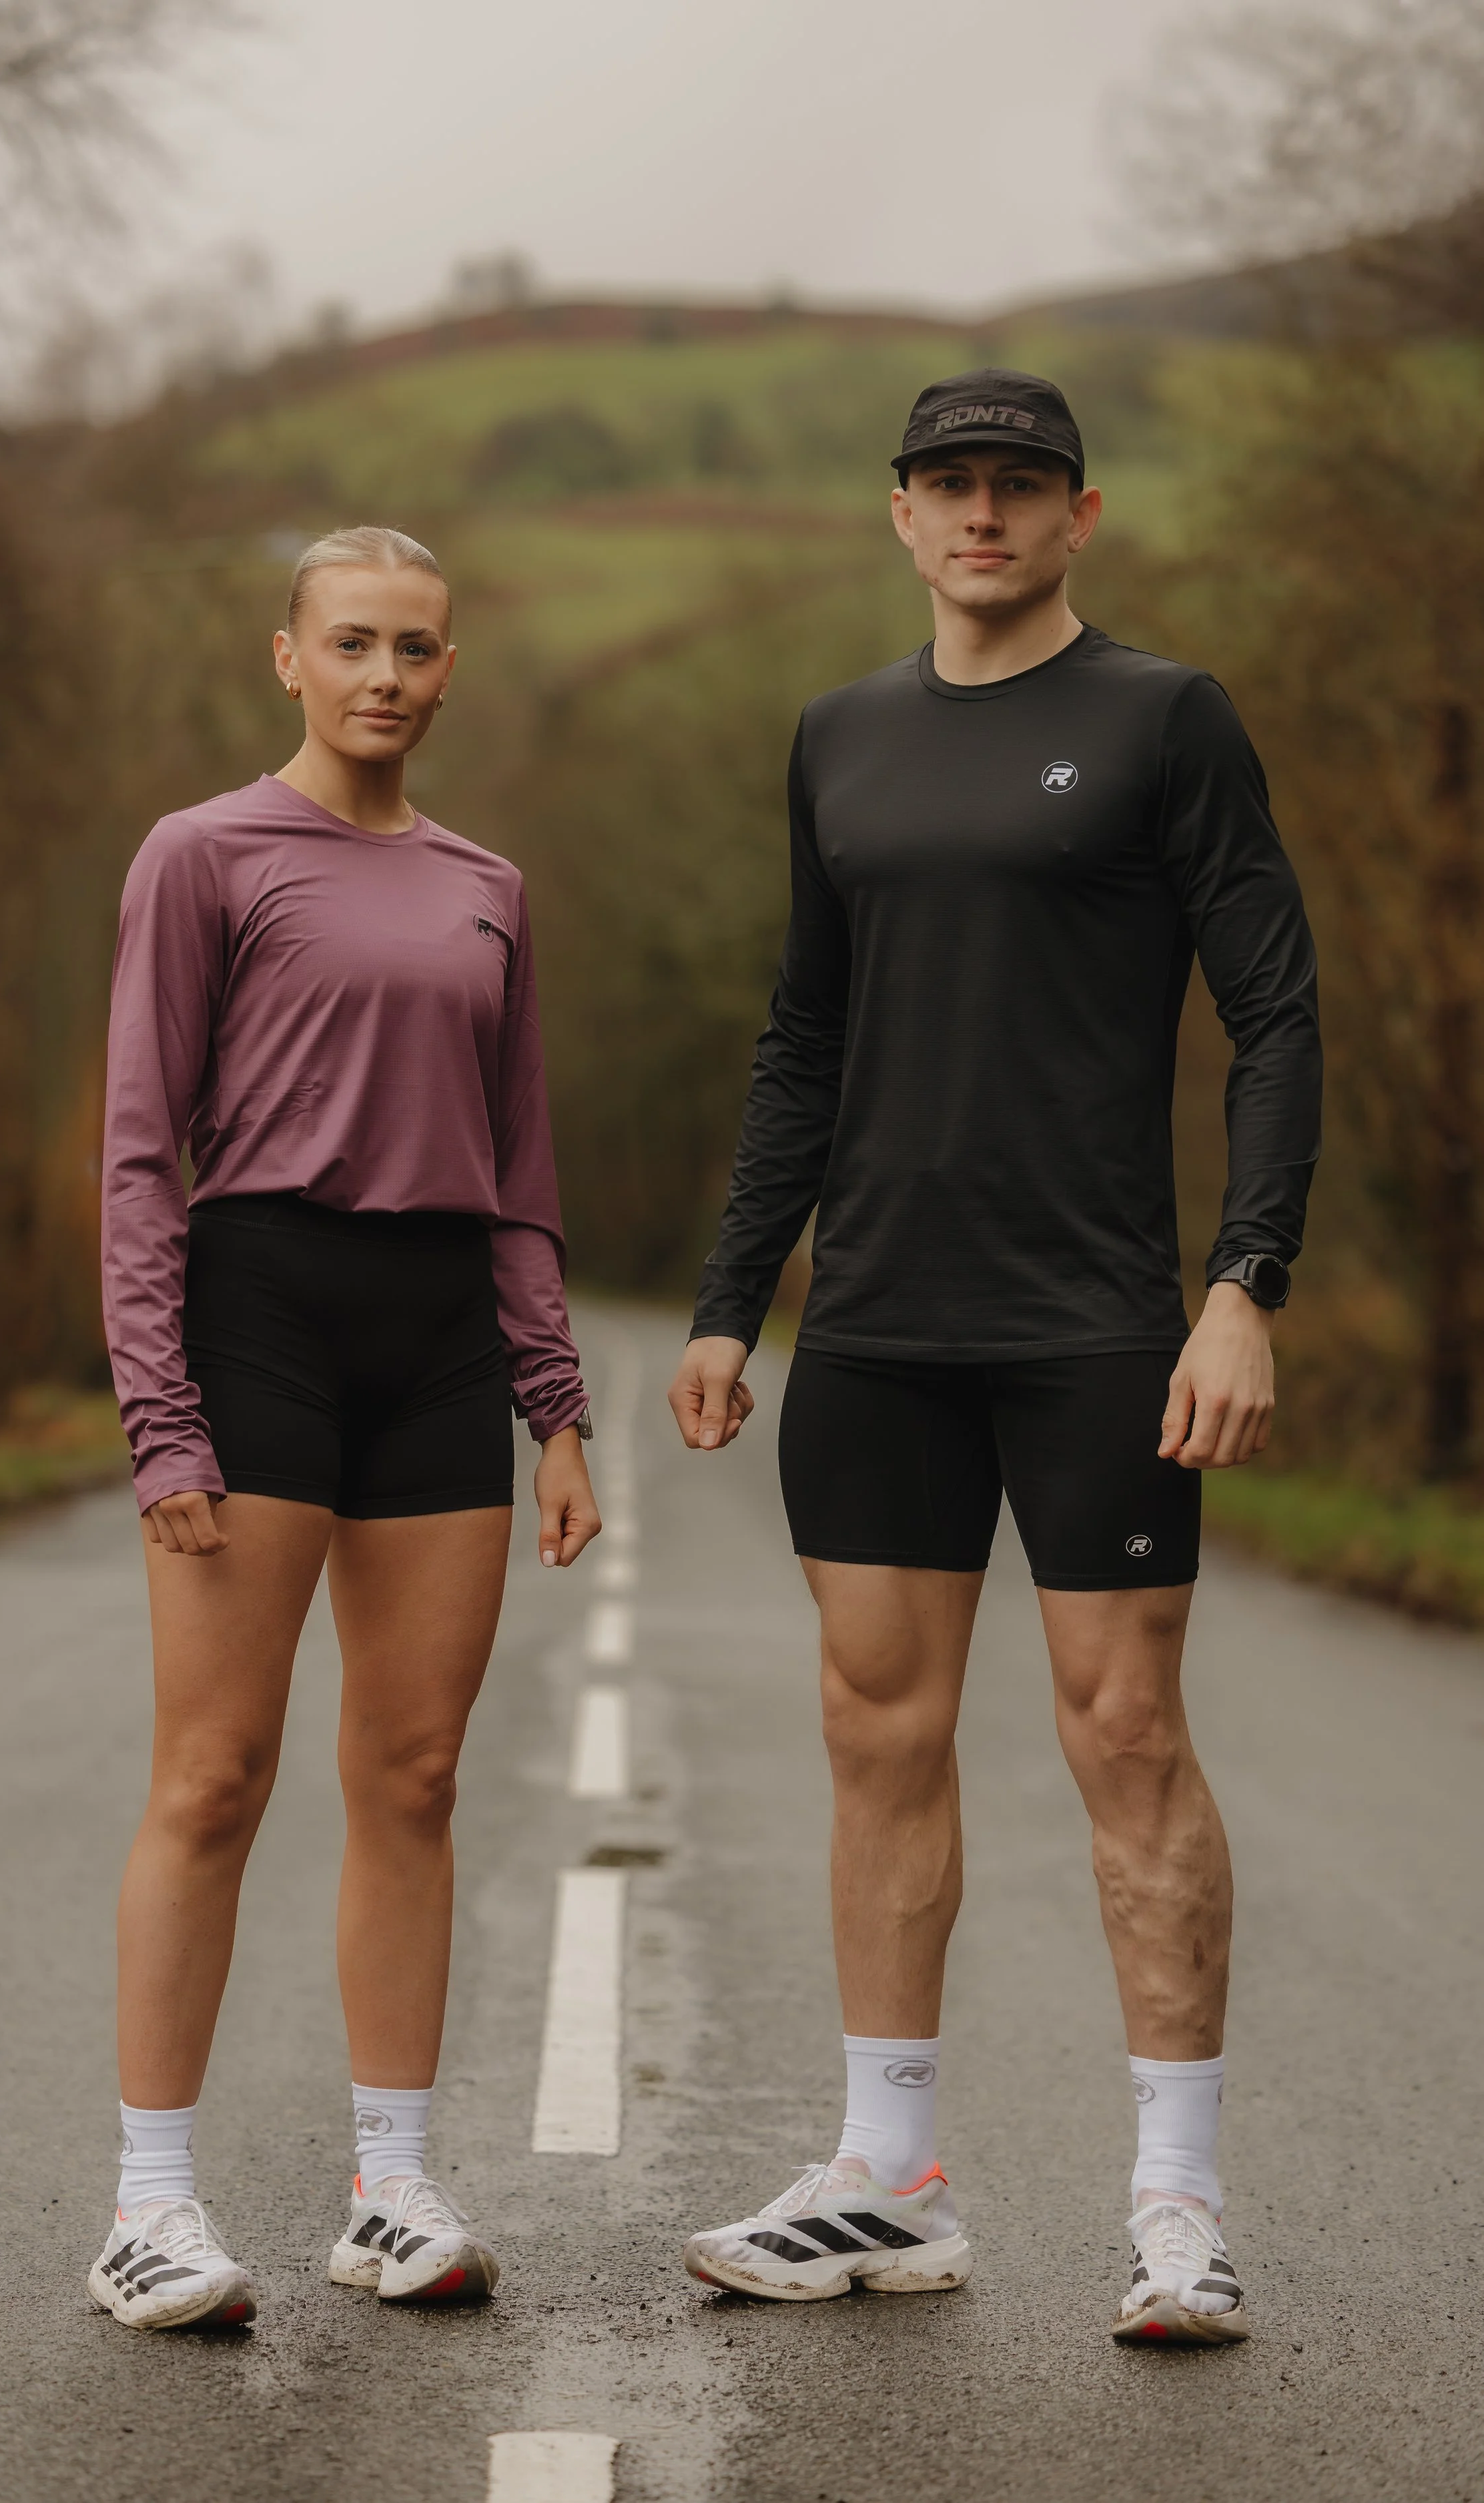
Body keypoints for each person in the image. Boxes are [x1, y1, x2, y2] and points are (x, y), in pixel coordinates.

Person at [669, 370, 1320, 2345]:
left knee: (1124, 1739)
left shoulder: (1159, 719)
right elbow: (803, 1034)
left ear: (1076, 515)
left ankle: (1179, 2202)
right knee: (876, 1734)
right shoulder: (838, 739)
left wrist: (1244, 1282)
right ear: (898, 513)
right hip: (874, 1325)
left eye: (1016, 487)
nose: (981, 515)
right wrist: (726, 1292)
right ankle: (888, 2177)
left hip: (1098, 1324)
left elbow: (1274, 1012)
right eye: (949, 484)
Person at [90, 525, 599, 2330]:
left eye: (415, 646)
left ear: (448, 671)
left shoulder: (488, 885)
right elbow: (144, 1148)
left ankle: (391, 2185)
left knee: (414, 1776)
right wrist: (162, 1410)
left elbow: (517, 1167)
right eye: (352, 641)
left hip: (438, 1339)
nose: (385, 672)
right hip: (260, 1320)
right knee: (214, 1773)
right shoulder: (204, 854)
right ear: (287, 659)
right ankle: (151, 2203)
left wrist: (554, 1402)